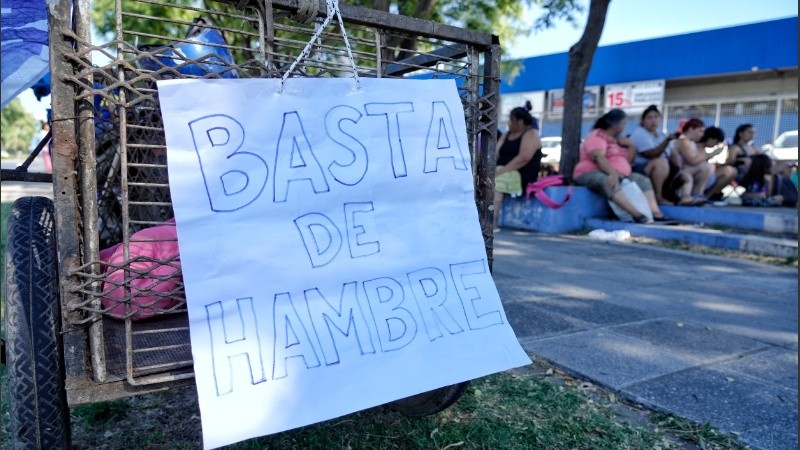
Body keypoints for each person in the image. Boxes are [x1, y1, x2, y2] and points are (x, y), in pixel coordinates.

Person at [573, 108, 668, 223]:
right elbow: (599, 158)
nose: (625, 126)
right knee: (608, 181)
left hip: (620, 174)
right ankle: (637, 214)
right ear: (614, 124)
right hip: (591, 172)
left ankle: (655, 212)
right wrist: (612, 173)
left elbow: (628, 161)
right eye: (623, 123)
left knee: (642, 180)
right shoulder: (597, 135)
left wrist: (631, 146)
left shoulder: (618, 139)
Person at [493, 105, 542, 232]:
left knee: (496, 183)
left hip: (521, 173)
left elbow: (523, 158)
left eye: (510, 120)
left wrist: (500, 172)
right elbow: (495, 154)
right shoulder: (506, 135)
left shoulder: (531, 134)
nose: (508, 123)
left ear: (519, 122)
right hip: (501, 170)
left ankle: (492, 221)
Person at [630, 105, 678, 205]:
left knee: (682, 171)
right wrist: (667, 141)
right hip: (639, 170)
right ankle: (658, 197)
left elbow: (672, 153)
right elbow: (652, 154)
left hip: (659, 168)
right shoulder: (639, 133)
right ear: (643, 121)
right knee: (660, 162)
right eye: (649, 118)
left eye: (656, 117)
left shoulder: (660, 134)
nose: (653, 120)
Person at [670, 118, 713, 205]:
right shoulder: (683, 141)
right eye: (700, 131)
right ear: (690, 129)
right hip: (676, 173)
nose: (702, 135)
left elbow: (698, 159)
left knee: (708, 166)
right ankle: (696, 194)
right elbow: (692, 161)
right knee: (707, 166)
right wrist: (711, 154)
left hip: (684, 171)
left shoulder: (691, 142)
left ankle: (697, 194)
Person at [698, 126, 737, 200]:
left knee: (732, 171)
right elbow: (696, 162)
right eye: (716, 142)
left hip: (705, 174)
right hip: (698, 175)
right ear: (711, 139)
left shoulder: (703, 149)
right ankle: (700, 194)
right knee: (715, 169)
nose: (716, 145)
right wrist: (714, 153)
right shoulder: (697, 146)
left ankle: (708, 196)